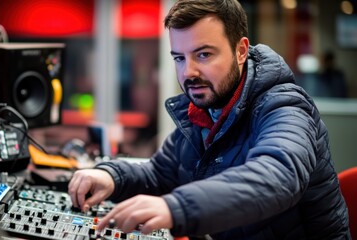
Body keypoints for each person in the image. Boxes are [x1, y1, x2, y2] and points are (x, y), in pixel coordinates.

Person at [68, 0, 351, 239]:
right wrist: (110, 176)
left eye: (203, 54)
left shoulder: (284, 105)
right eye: (179, 58)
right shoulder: (202, 110)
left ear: (240, 51)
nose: (188, 72)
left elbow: (278, 175)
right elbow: (159, 174)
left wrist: (178, 207)